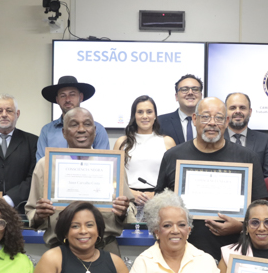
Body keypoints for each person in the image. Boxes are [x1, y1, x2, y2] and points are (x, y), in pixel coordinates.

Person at [154, 98, 268, 259]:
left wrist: (241, 226)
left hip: (233, 252)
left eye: (219, 118)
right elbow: (158, 205)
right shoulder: (173, 156)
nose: (212, 123)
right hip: (182, 251)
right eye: (206, 117)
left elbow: (261, 208)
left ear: (226, 121)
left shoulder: (247, 158)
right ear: (194, 119)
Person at [24, 108, 131, 248]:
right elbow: (32, 214)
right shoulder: (45, 165)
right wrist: (39, 215)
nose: (81, 129)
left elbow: (130, 210)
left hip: (104, 247)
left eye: (87, 124)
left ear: (95, 130)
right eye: (74, 125)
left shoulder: (113, 163)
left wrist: (123, 211)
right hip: (61, 248)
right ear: (64, 132)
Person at [115, 95, 175, 213]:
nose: (145, 116)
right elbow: (114, 178)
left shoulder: (167, 142)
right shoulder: (122, 142)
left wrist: (156, 194)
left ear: (155, 115)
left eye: (149, 112)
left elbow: (173, 179)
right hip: (127, 201)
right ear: (134, 116)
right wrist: (131, 194)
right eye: (140, 112)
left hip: (158, 201)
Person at [36, 75, 110, 160]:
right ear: (57, 100)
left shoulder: (98, 129)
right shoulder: (47, 131)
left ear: (80, 97)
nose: (67, 99)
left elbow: (104, 161)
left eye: (72, 94)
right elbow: (42, 163)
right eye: (63, 96)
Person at [225, 92, 268, 179]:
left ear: (250, 112)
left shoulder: (264, 140)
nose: (237, 111)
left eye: (242, 108)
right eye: (232, 108)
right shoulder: (216, 139)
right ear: (225, 112)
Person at [157, 74, 203, 145]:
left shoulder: (212, 122)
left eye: (195, 89)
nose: (190, 93)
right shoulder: (160, 122)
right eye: (184, 89)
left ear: (201, 95)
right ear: (176, 97)